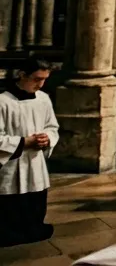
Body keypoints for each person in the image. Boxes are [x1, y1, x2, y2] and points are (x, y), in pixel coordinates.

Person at [0, 57, 59, 247]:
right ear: (22, 75)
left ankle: (34, 229)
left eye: (44, 79)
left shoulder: (43, 99)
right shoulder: (3, 101)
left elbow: (52, 126)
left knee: (35, 197)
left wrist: (47, 138)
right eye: (36, 79)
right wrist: (24, 142)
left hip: (35, 160)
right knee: (10, 201)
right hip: (11, 161)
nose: (40, 84)